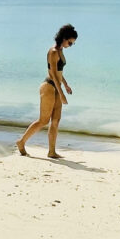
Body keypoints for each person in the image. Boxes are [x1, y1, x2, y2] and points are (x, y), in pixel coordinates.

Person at [16, 24, 78, 159]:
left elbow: (59, 73)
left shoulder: (61, 51)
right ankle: (21, 142)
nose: (70, 45)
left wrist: (66, 85)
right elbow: (52, 74)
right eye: (70, 43)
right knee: (43, 120)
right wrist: (61, 93)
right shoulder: (53, 51)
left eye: (72, 44)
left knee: (56, 120)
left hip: (57, 86)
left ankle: (51, 151)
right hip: (49, 87)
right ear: (64, 38)